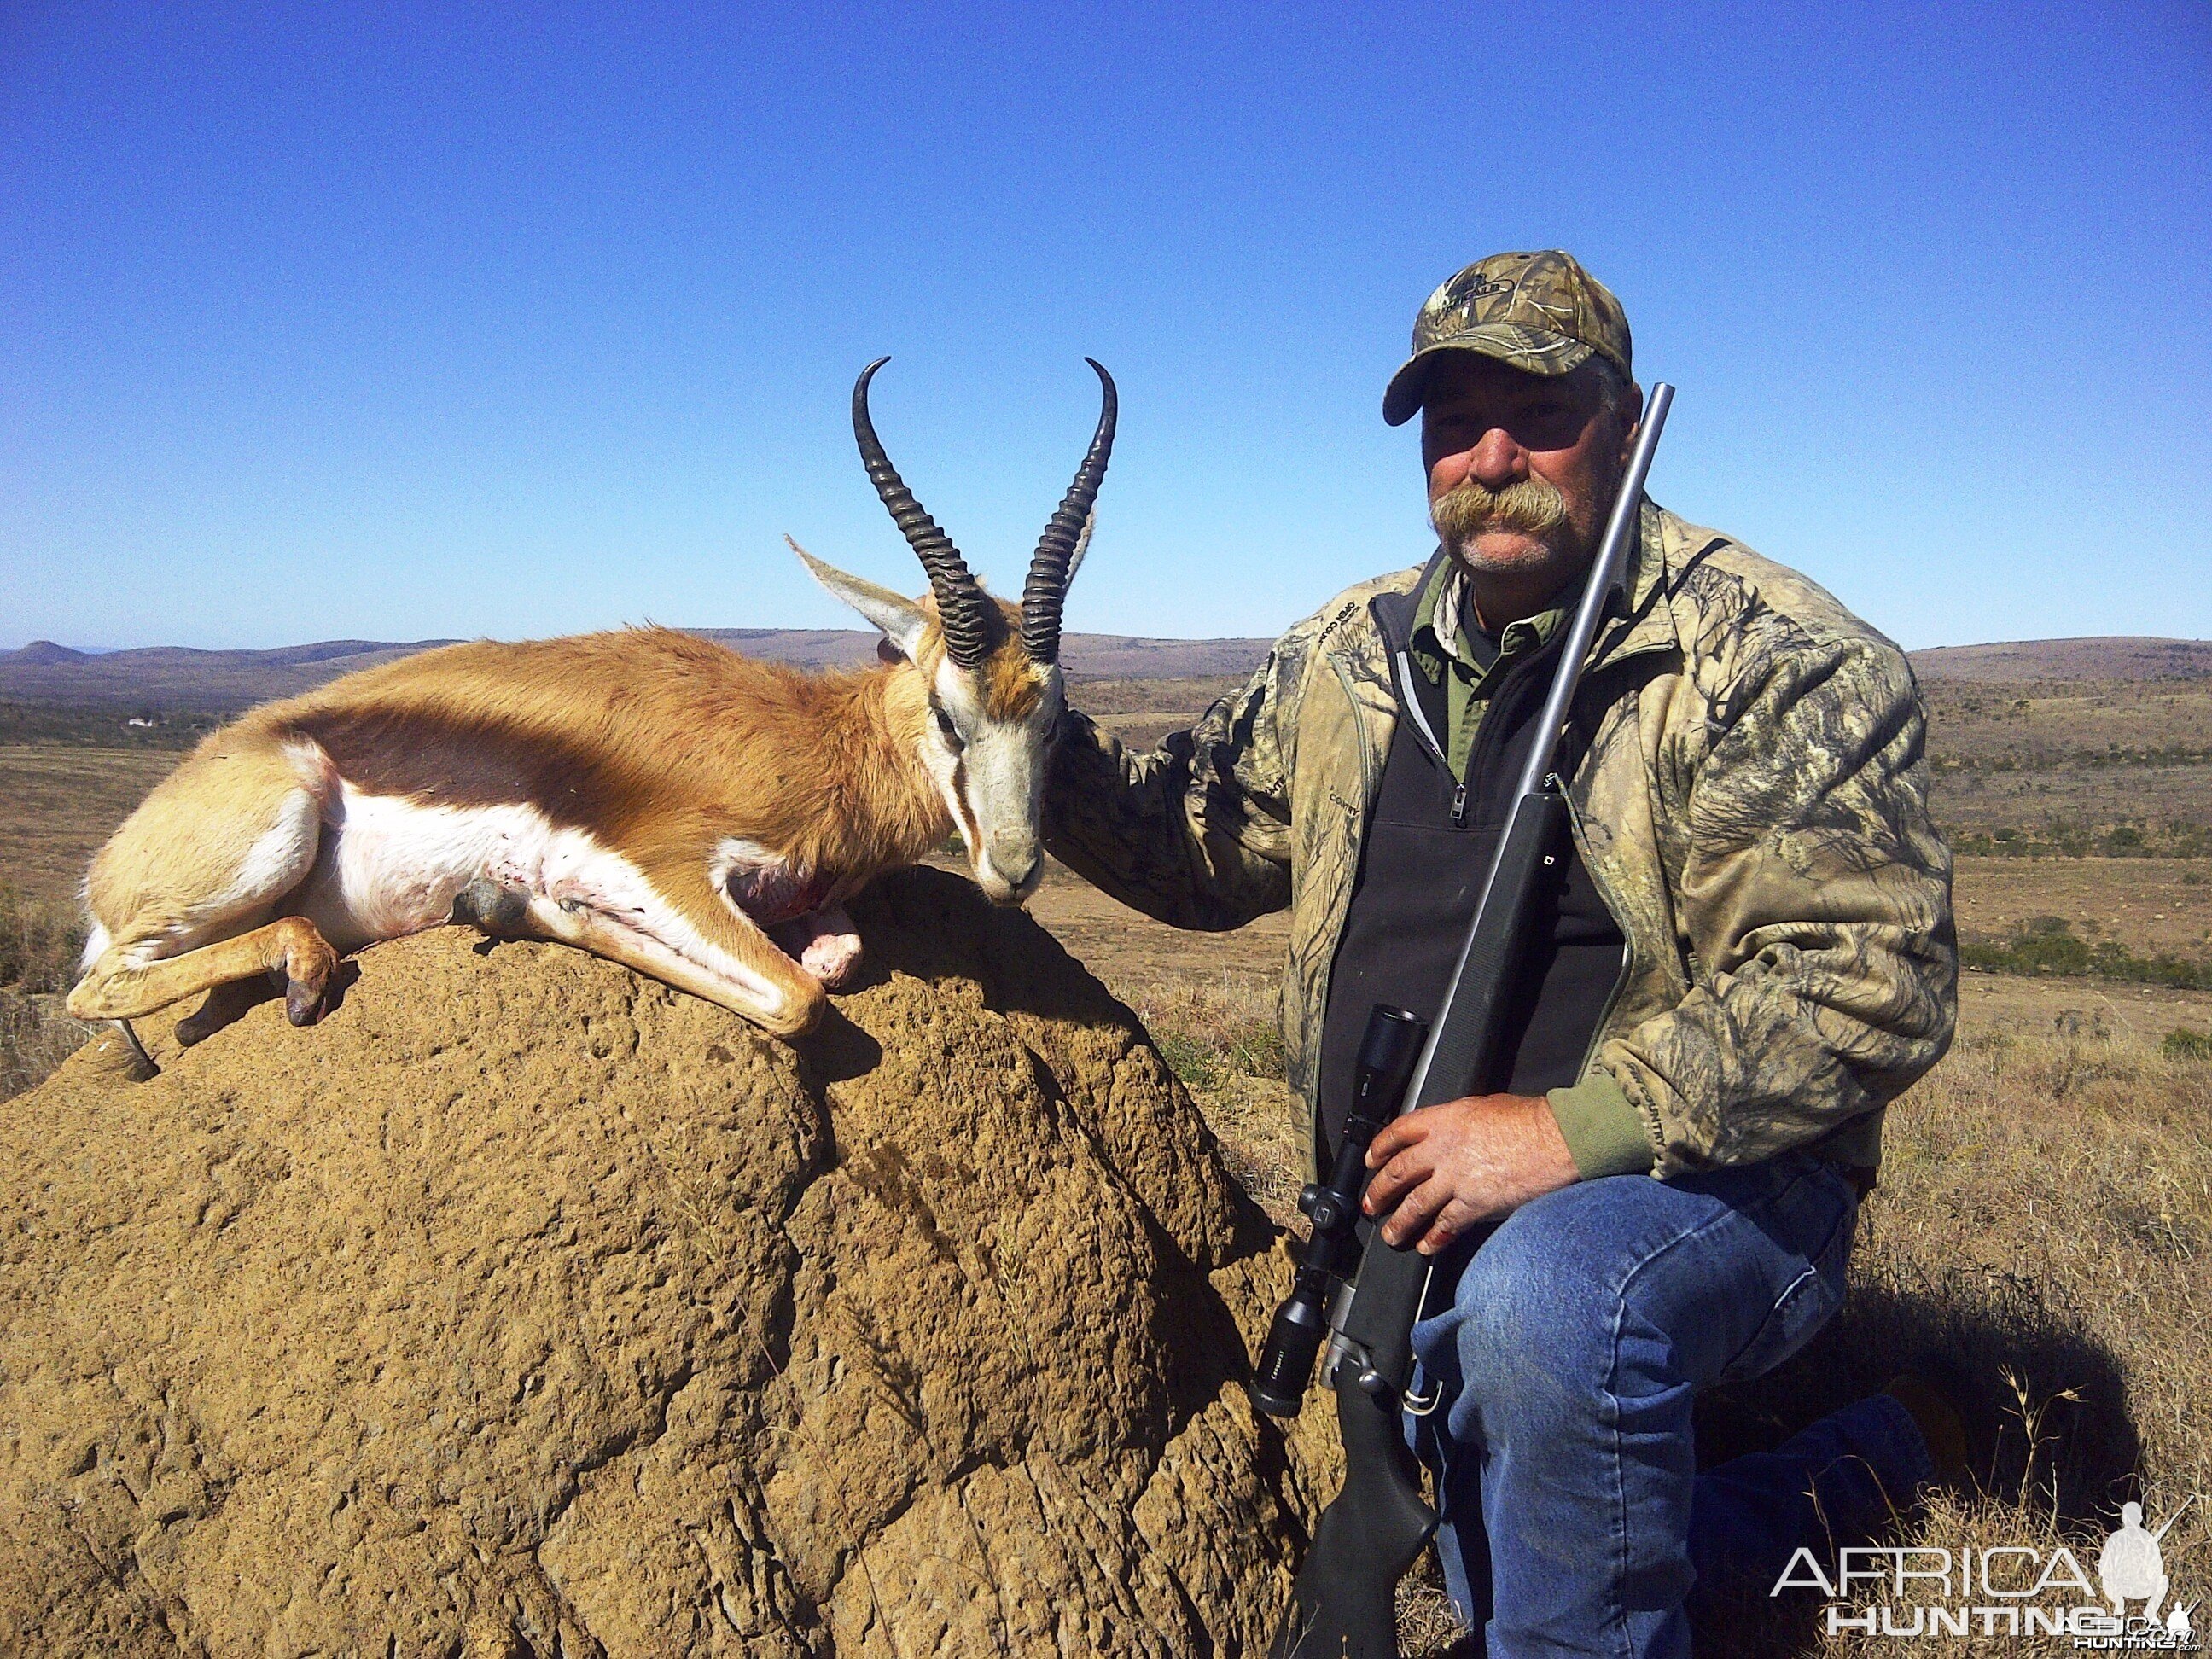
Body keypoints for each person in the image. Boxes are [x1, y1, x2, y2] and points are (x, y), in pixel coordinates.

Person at [1045, 250, 1962, 1655]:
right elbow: (1186, 842)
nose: (1488, 457)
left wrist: (1563, 1134)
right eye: (1451, 419)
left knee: (1548, 1305)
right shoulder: (1348, 654)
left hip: (1704, 1187)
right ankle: (1884, 1456)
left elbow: (1875, 981)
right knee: (1520, 1574)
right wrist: (1004, 729)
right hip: (1401, 1209)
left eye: (1534, 414)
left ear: (1617, 419)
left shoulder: (1772, 658)